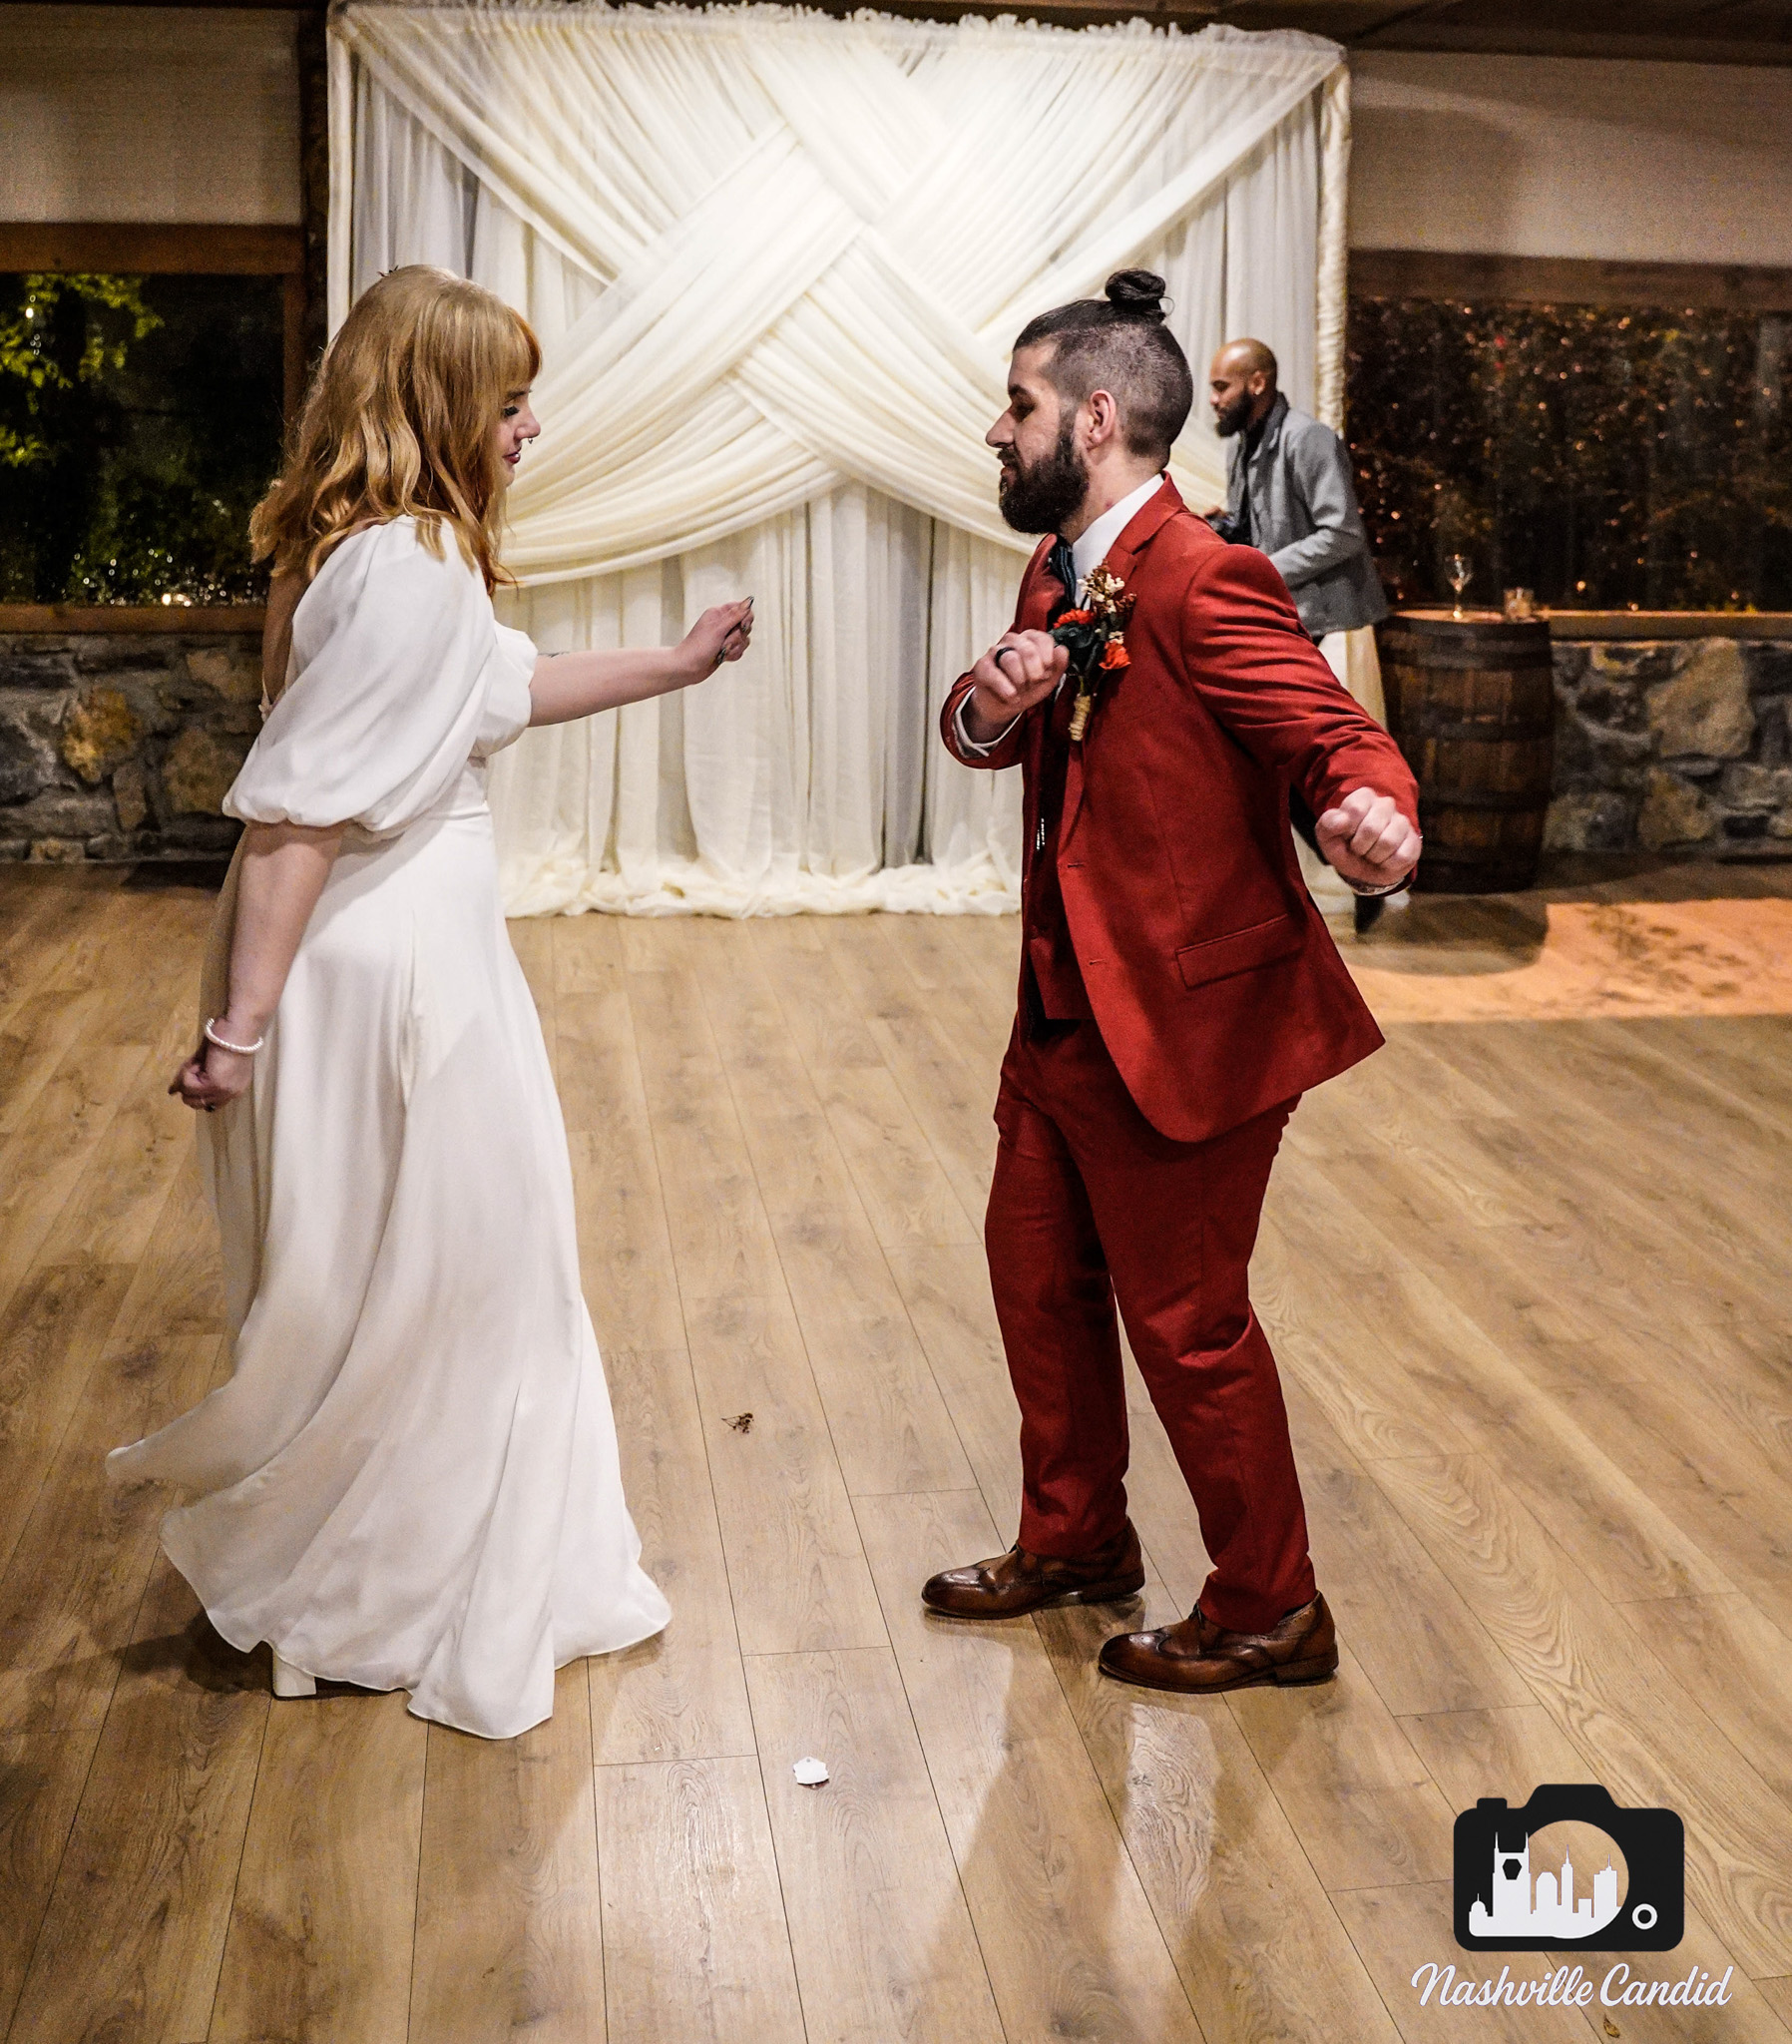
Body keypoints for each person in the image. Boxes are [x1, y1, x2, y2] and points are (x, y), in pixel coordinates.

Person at [109, 266, 753, 1741]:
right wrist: (239, 1030)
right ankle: (378, 1577)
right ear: (439, 401)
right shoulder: (406, 566)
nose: (528, 427)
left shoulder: (389, 553)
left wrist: (672, 663)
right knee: (448, 1279)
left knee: (437, 1271)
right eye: (508, 401)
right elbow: (300, 817)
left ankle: (389, 1551)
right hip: (392, 966)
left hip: (409, 947)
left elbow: (493, 694)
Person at [924, 270, 1420, 1695]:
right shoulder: (1059, 568)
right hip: (1060, 1018)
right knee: (1037, 1282)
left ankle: (1272, 1607)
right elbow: (981, 724)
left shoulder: (1208, 576)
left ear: (1091, 419)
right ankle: (1076, 1537)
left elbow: (1332, 735)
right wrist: (993, 702)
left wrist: (1373, 813)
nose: (997, 430)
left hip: (1188, 1026)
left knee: (1189, 1326)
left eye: (1016, 406)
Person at [1206, 338, 1398, 929]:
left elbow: (1342, 533)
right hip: (1285, 619)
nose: (1213, 399)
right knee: (1270, 758)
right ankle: (1352, 870)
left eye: (1221, 386)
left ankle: (1364, 868)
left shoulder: (1309, 438)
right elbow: (1256, 526)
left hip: (1323, 622)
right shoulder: (1245, 443)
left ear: (1258, 383)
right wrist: (1219, 528)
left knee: (1298, 759)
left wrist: (1260, 567)